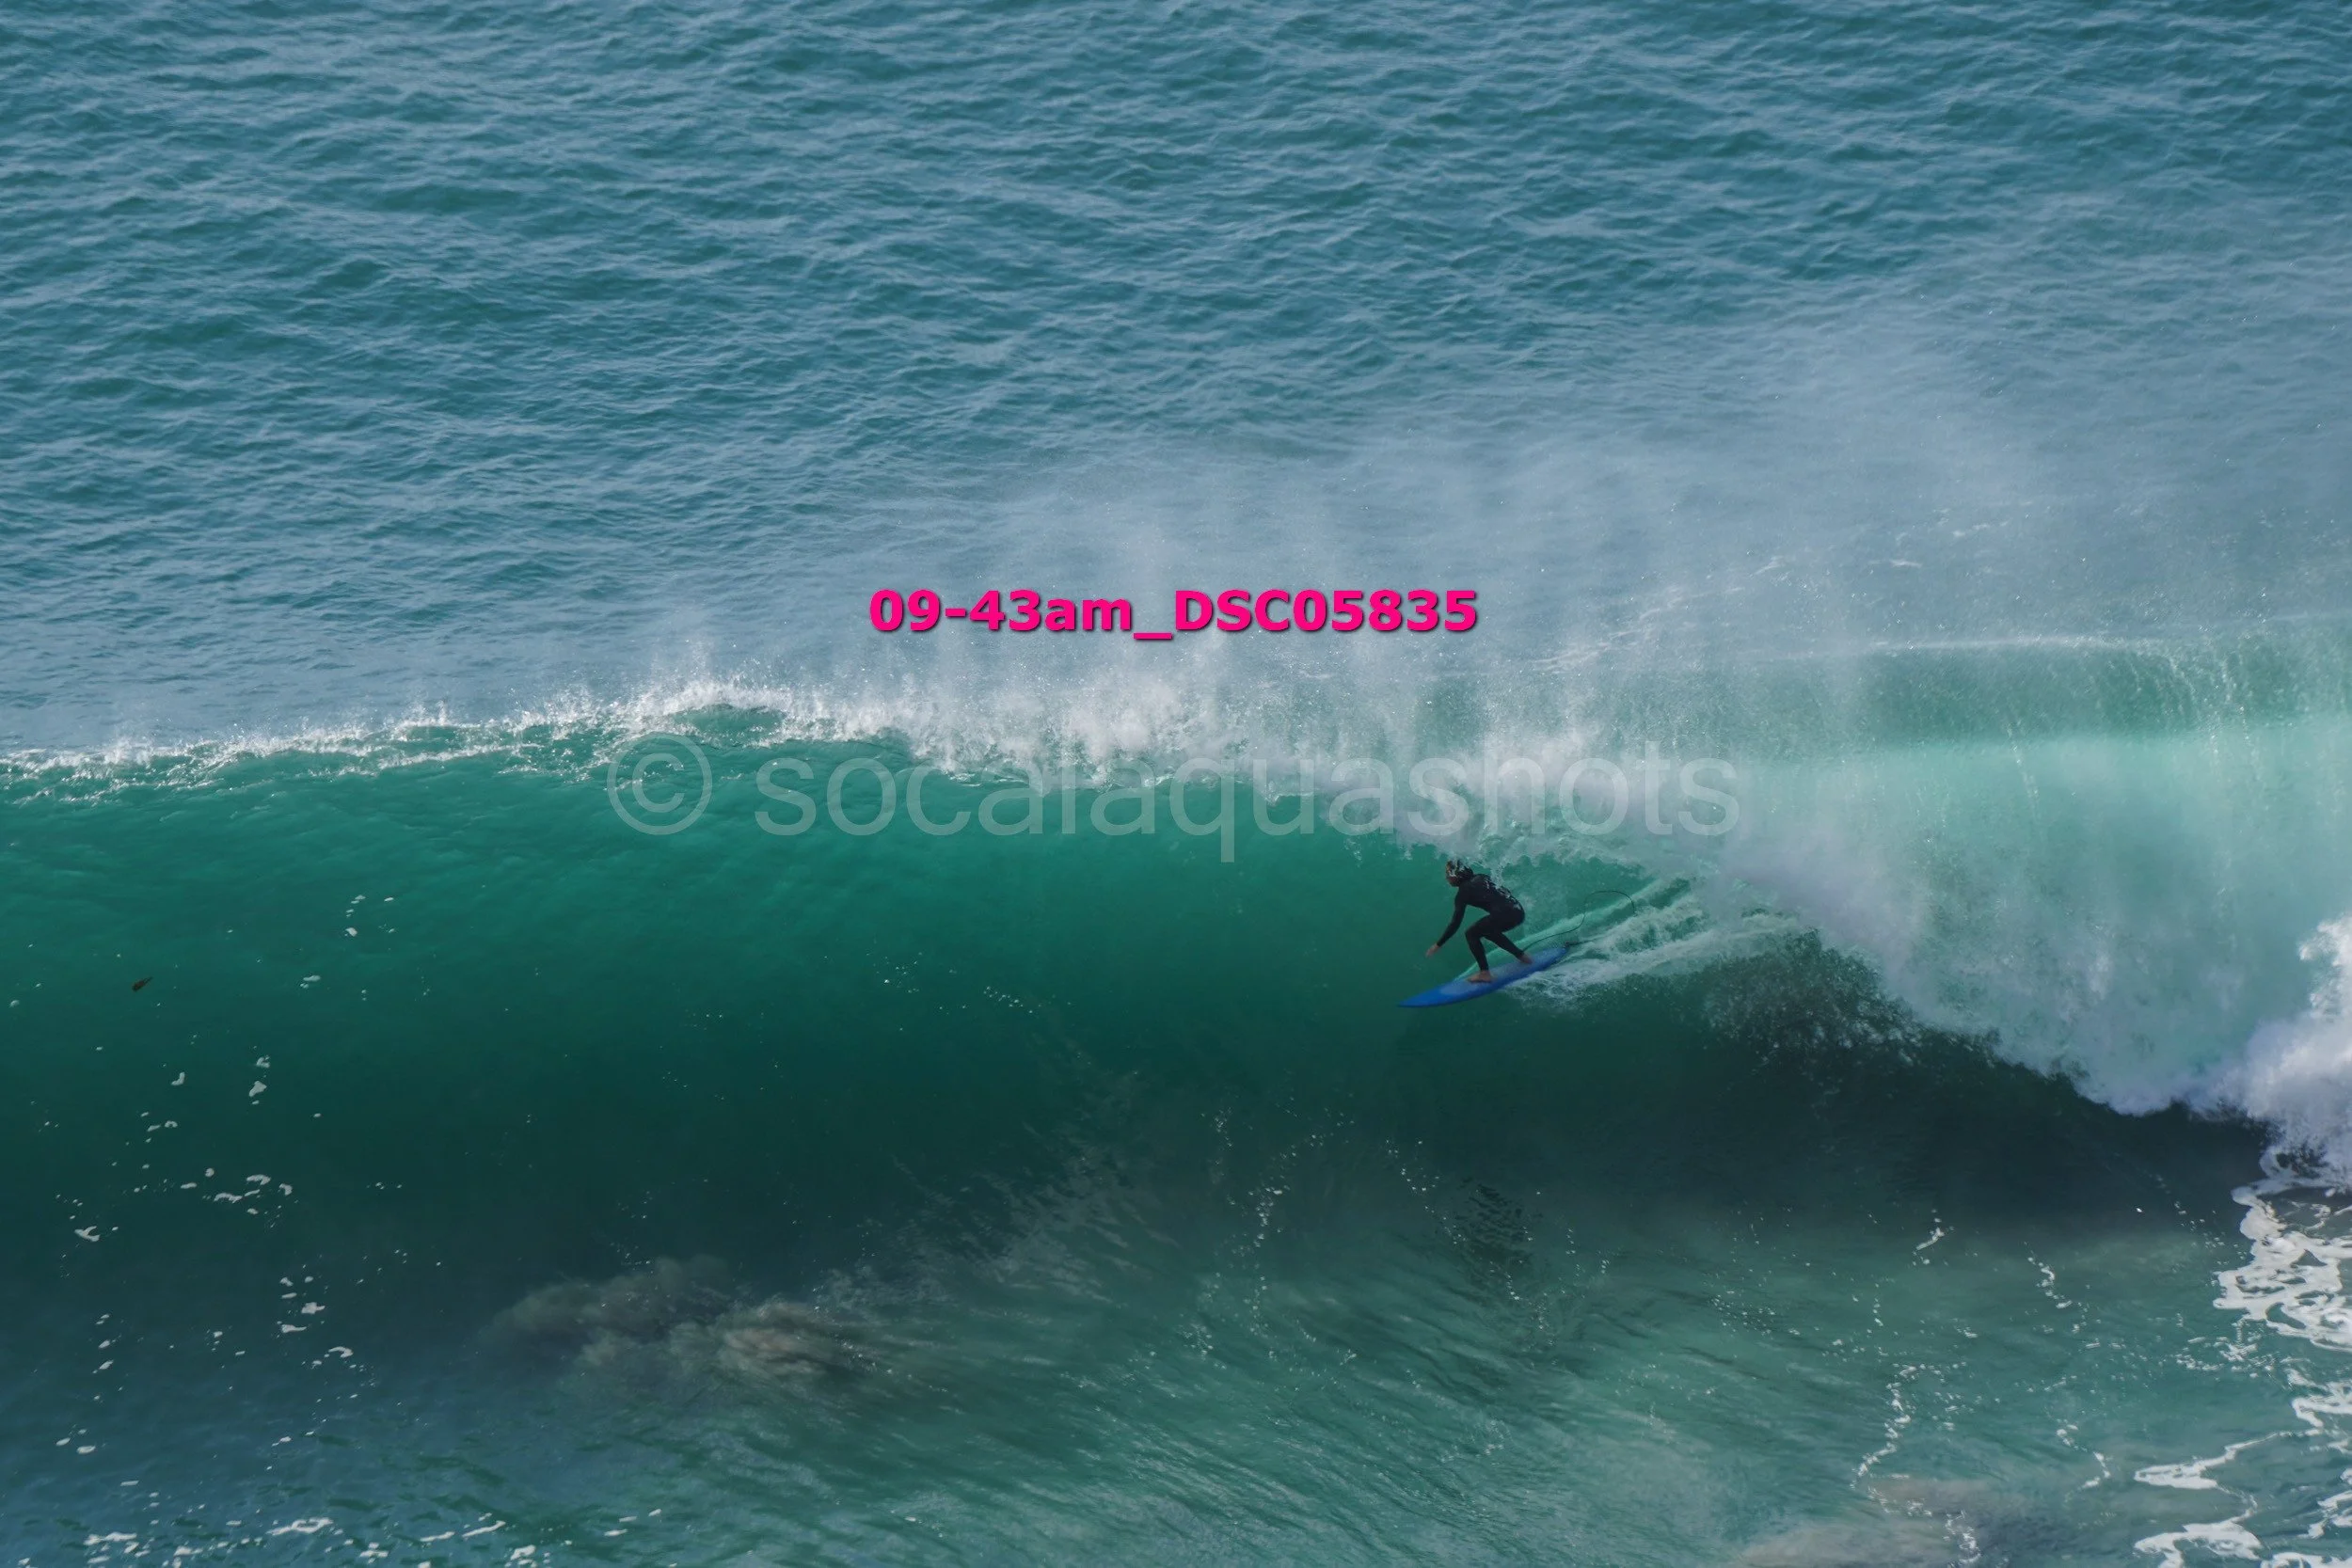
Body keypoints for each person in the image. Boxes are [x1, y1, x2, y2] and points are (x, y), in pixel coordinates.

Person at [1426, 859, 1529, 982]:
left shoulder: (1463, 893)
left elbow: (1455, 923)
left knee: (1471, 934)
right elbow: (1504, 892)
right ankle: (1522, 957)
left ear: (1456, 875)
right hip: (1518, 911)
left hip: (1504, 915)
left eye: (1448, 874)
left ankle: (1484, 973)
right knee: (1489, 932)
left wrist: (1438, 944)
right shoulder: (1482, 876)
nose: (1447, 878)